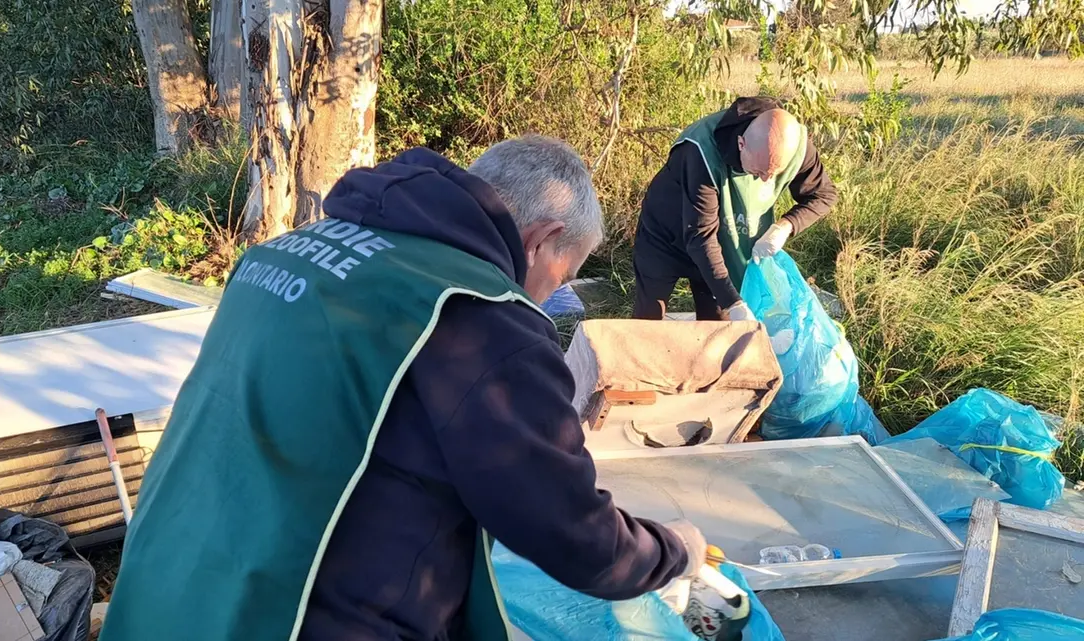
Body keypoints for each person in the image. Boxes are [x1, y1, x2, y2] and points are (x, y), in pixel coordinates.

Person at [100, 136, 708, 641]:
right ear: (540, 240)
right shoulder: (482, 317)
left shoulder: (284, 254)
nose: (550, 295)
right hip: (300, 616)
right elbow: (571, 533)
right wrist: (671, 550)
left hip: (173, 583)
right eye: (563, 275)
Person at [633, 96, 838, 321]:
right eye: (759, 171)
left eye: (774, 174)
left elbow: (823, 195)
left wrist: (784, 226)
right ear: (741, 144)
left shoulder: (794, 144)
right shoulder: (700, 151)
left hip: (723, 245)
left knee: (718, 330)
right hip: (666, 237)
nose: (764, 180)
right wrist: (734, 303)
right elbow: (701, 238)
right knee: (648, 320)